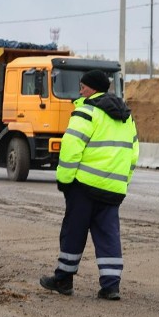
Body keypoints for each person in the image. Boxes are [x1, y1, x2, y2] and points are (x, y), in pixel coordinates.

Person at [40, 69, 139, 301]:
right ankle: (111, 286)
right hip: (113, 189)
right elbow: (133, 155)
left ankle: (63, 280)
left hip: (84, 187)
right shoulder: (126, 117)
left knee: (73, 232)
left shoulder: (86, 112)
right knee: (109, 235)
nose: (80, 90)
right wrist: (122, 183)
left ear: (92, 89)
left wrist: (65, 180)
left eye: (83, 86)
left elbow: (71, 149)